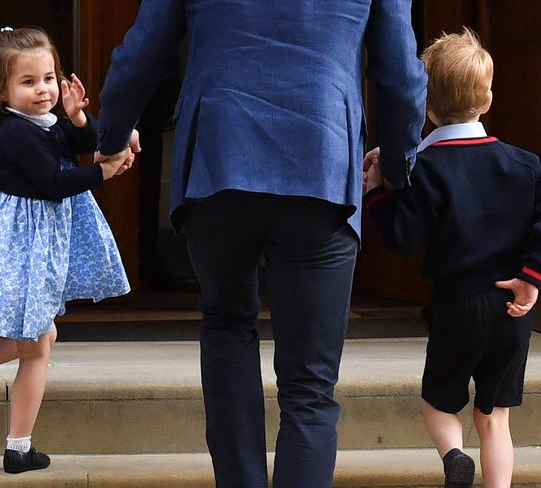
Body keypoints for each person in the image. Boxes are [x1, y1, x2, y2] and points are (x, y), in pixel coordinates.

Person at [95, 2, 426, 487]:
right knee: (310, 384)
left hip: (219, 156)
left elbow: (142, 51)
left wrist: (111, 135)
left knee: (228, 328)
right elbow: (399, 70)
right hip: (321, 158)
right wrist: (398, 168)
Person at [0, 27, 134, 474]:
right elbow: (55, 183)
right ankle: (17, 447)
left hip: (39, 245)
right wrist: (106, 173)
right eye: (28, 82)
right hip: (23, 248)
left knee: (41, 336)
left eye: (48, 78)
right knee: (39, 343)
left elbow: (83, 143)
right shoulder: (17, 135)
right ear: (2, 91)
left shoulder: (43, 121)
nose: (42, 90)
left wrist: (79, 116)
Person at [364, 28, 539, 488]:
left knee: (440, 402)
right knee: (495, 413)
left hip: (456, 304)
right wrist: (532, 277)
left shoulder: (424, 170)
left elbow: (403, 238)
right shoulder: (526, 166)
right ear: (488, 99)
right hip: (511, 306)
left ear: (426, 105)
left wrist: (378, 194)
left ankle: (454, 455)